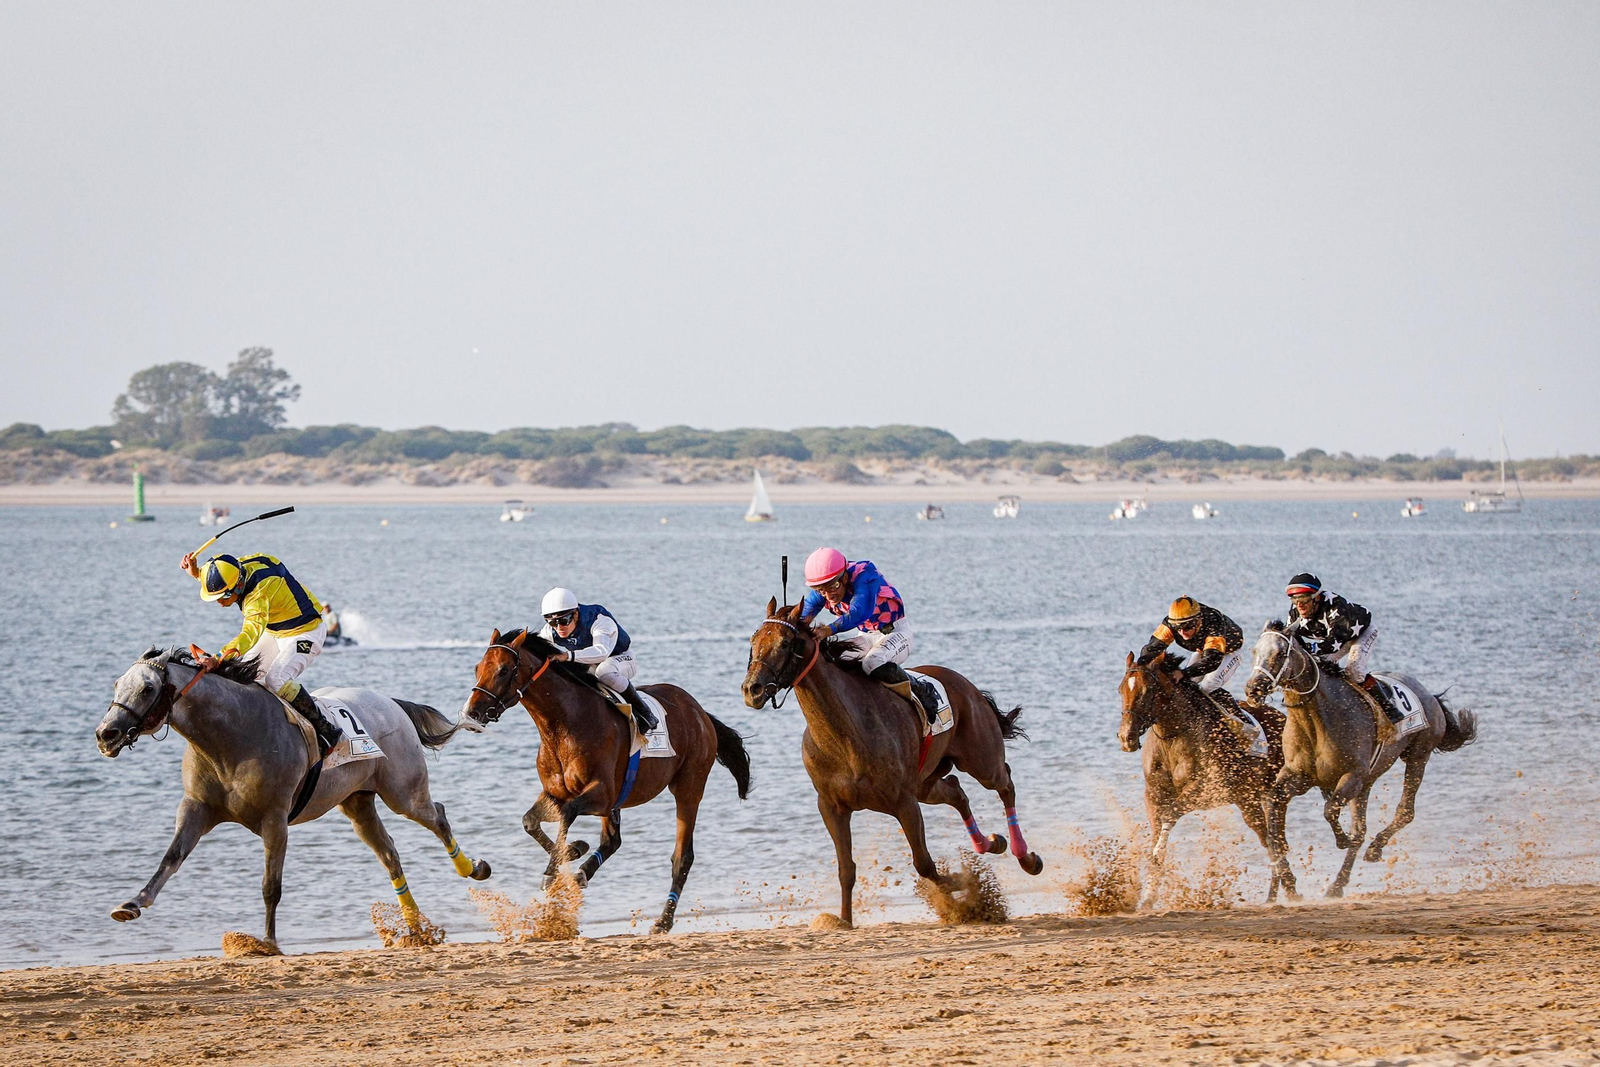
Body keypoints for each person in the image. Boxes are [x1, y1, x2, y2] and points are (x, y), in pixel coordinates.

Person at [179, 550, 342, 756]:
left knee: (276, 679)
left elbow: (249, 635)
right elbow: (221, 572)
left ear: (238, 585)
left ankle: (326, 730)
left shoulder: (258, 595)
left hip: (306, 633)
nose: (221, 603)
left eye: (224, 596)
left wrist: (218, 658)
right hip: (275, 631)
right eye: (217, 597)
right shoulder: (237, 568)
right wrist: (198, 573)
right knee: (243, 675)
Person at [798, 547, 939, 723]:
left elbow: (860, 612)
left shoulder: (865, 575)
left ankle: (921, 689)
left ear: (845, 576)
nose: (829, 595)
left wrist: (828, 630)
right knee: (831, 660)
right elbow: (803, 616)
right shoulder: (826, 588)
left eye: (833, 587)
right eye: (822, 591)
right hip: (866, 636)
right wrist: (788, 626)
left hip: (896, 632)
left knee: (872, 662)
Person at [1136, 596, 1265, 756]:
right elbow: (1149, 650)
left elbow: (1212, 661)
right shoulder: (1170, 624)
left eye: (1187, 626)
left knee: (1207, 686)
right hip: (1204, 649)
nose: (1182, 632)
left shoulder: (1213, 623)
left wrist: (1183, 672)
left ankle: (1247, 730)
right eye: (1178, 628)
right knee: (1185, 685)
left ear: (1198, 620)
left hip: (1228, 652)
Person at [1283, 572, 1402, 724]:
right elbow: (1290, 638)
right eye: (1294, 599)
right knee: (1315, 669)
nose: (1299, 604)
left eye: (1305, 599)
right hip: (1334, 638)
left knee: (1354, 671)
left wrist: (1307, 648)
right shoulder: (1295, 613)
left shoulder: (1336, 607)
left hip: (1360, 633)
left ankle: (1389, 709)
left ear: (1317, 597)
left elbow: (1334, 644)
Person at [537, 587, 657, 735]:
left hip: (621, 659)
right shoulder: (551, 629)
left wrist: (567, 656)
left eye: (564, 621)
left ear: (575, 613)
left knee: (604, 672)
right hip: (590, 663)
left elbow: (602, 652)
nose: (559, 627)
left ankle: (645, 713)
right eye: (552, 622)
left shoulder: (599, 620)